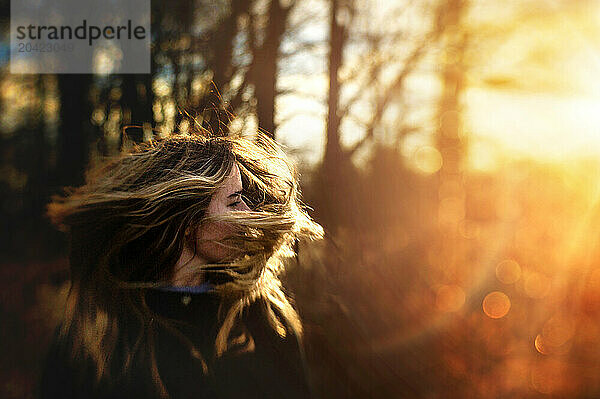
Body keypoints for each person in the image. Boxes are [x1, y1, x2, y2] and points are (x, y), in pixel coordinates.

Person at [38, 132, 323, 398]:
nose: (248, 213)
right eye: (234, 202)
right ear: (187, 221)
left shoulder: (262, 312)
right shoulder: (100, 331)